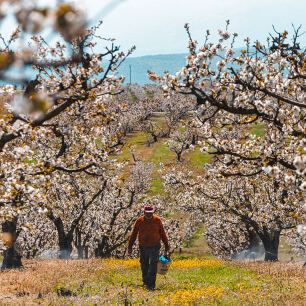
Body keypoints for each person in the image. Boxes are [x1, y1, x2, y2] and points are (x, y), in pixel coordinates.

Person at [128, 204, 170, 290]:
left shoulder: (157, 220)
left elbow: (162, 233)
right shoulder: (139, 221)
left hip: (155, 246)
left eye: (150, 213)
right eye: (147, 213)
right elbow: (133, 234)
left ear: (153, 212)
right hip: (143, 246)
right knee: (144, 265)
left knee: (153, 265)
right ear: (144, 212)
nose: (148, 214)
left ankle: (151, 285)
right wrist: (130, 246)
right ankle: (145, 281)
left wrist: (166, 245)